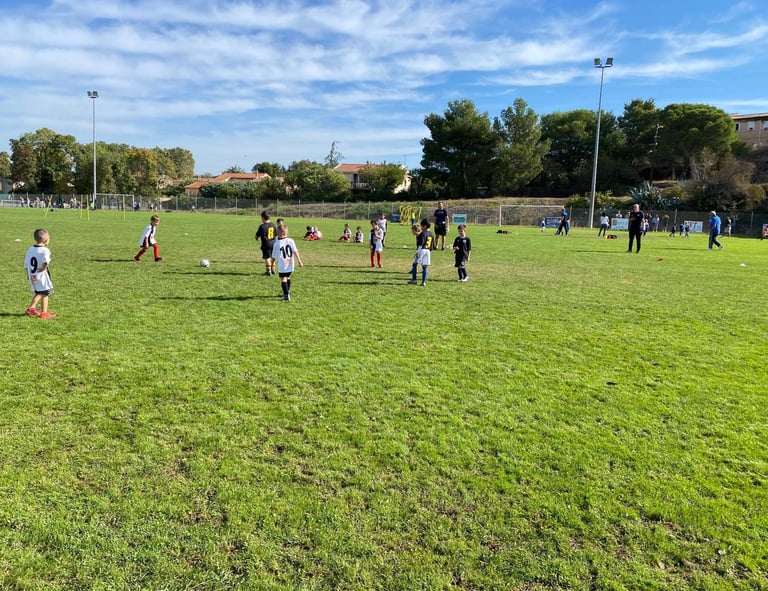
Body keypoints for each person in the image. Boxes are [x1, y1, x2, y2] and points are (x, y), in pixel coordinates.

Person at [24, 228, 56, 319]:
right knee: (45, 293)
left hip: (32, 274)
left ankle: (31, 308)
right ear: (46, 240)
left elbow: (26, 263)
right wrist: (43, 268)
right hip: (41, 275)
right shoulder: (45, 250)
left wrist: (28, 274)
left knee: (38, 292)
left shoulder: (30, 249)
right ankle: (44, 313)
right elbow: (46, 261)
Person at [271, 223, 303, 301]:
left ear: (277, 233)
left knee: (283, 279)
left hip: (282, 264)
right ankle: (287, 291)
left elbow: (273, 257)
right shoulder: (291, 241)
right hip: (290, 263)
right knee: (288, 277)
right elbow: (295, 251)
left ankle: (286, 295)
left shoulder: (277, 244)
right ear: (286, 232)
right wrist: (299, 261)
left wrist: (272, 265)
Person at [409, 219, 434, 285]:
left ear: (425, 226)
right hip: (428, 251)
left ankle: (414, 280)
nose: (421, 228)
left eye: (421, 226)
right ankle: (424, 282)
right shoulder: (431, 234)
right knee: (425, 267)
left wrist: (418, 252)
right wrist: (429, 250)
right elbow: (432, 245)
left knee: (414, 264)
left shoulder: (423, 233)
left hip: (422, 250)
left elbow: (421, 243)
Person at [255, 210, 277, 275]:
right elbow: (276, 234)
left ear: (263, 218)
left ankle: (268, 271)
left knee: (267, 257)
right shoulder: (273, 225)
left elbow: (257, 235)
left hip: (266, 244)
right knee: (273, 257)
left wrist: (256, 238)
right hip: (274, 243)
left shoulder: (262, 226)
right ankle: (273, 269)